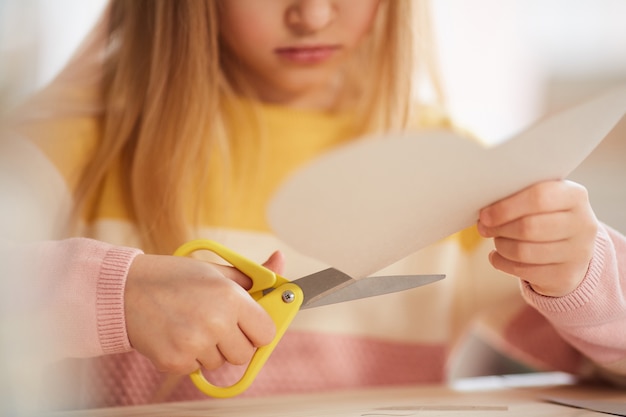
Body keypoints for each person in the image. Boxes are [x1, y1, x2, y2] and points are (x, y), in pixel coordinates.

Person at [1, 0, 624, 411]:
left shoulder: (453, 170)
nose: (313, 14)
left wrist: (581, 275)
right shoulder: (76, 140)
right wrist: (117, 292)